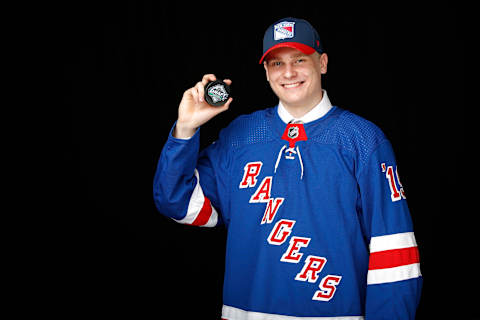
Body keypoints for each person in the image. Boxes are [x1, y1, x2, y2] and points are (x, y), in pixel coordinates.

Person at [153, 17, 422, 320]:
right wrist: (186, 129)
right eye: (277, 64)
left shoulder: (362, 139)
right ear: (266, 72)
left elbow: (394, 253)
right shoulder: (241, 136)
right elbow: (176, 201)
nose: (289, 72)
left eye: (299, 59)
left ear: (322, 63)